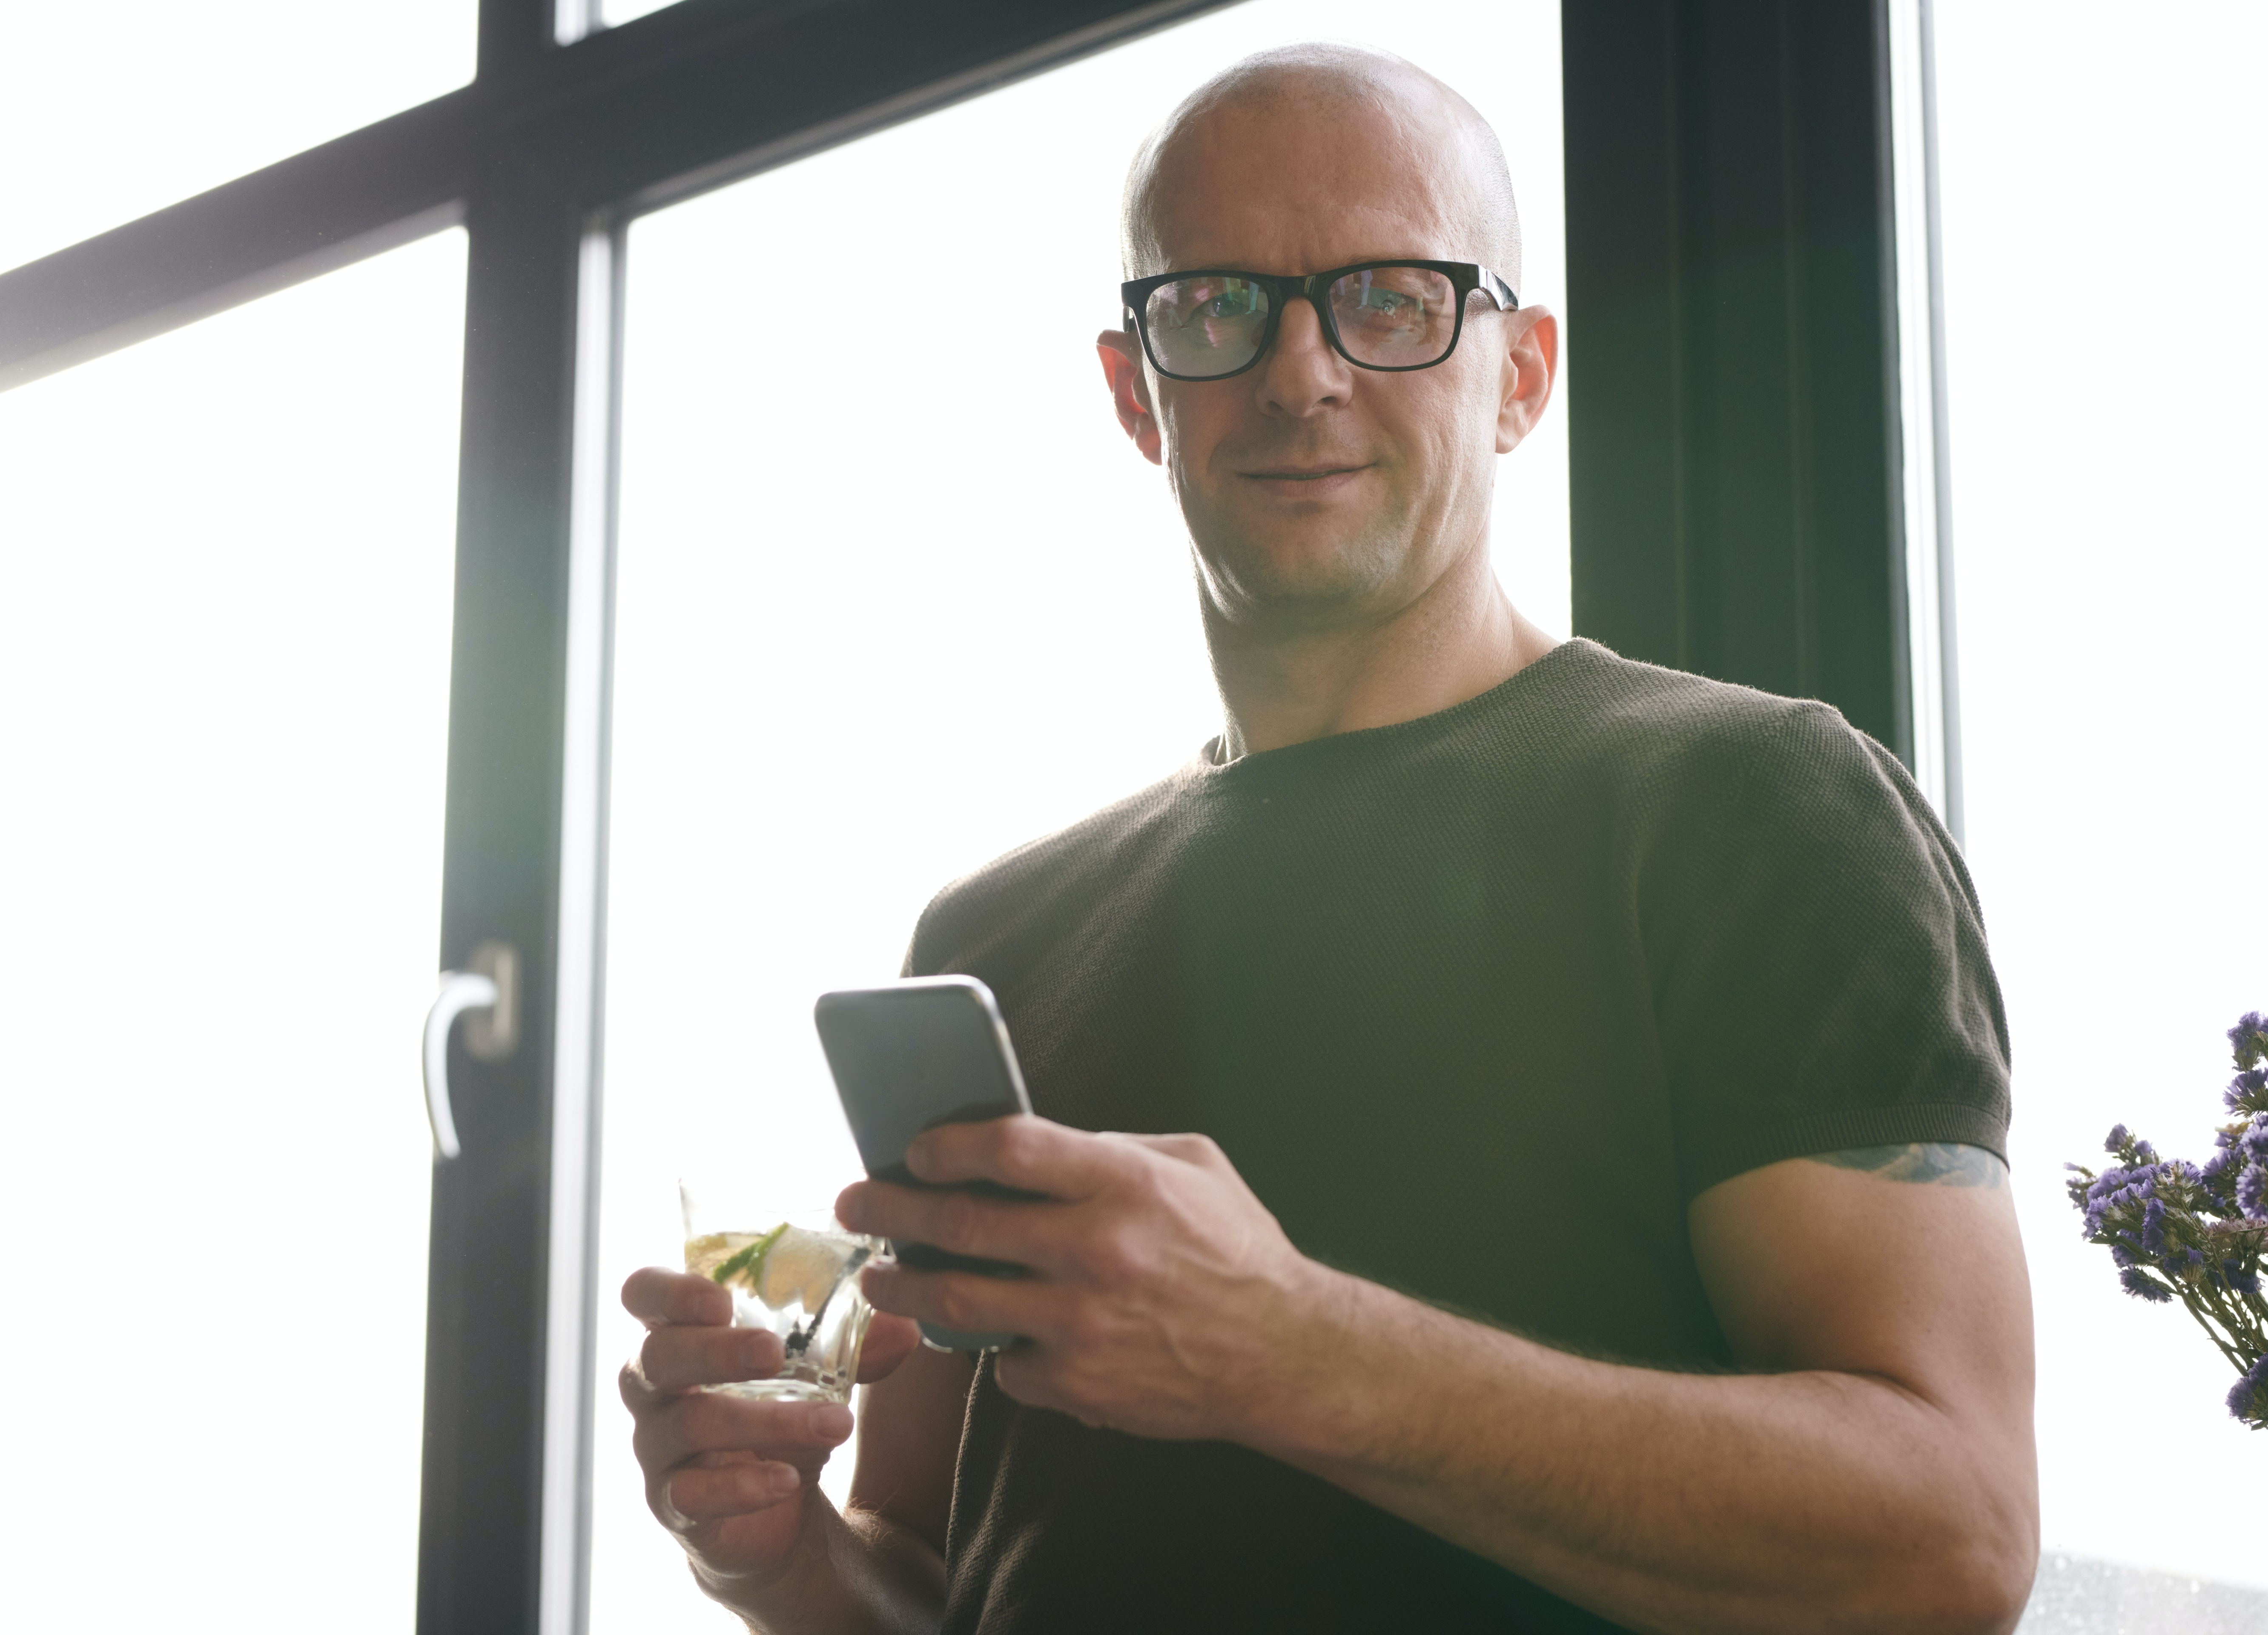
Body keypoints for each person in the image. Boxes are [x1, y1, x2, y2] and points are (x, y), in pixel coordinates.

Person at [618, 43, 2036, 1635]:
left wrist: (1290, 1350)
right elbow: (936, 1585)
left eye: (1393, 297)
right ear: (1133, 391)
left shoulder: (1754, 805)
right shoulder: (990, 934)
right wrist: (775, 1557)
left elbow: (1951, 1539)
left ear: (1520, 373)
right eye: (1217, 306)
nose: (1301, 373)